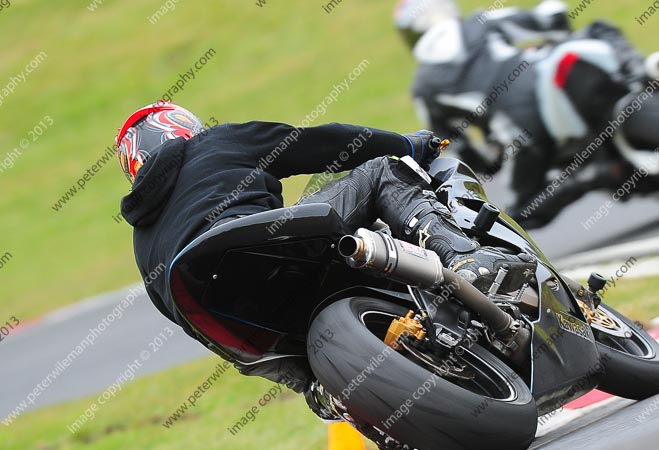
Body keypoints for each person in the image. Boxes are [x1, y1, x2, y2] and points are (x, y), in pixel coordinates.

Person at [116, 101, 529, 404]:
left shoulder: (142, 238)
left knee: (312, 378)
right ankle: (461, 259)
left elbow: (181, 315)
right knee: (382, 169)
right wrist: (409, 145)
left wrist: (301, 379)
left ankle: (325, 393)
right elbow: (323, 144)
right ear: (180, 127)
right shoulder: (213, 142)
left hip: (226, 308)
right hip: (270, 246)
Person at [395, 0, 572, 225]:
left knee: (517, 215)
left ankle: (591, 179)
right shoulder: (482, 20)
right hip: (550, 84)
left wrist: (488, 161)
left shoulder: (423, 87)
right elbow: (549, 18)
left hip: (520, 131)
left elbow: (450, 146)